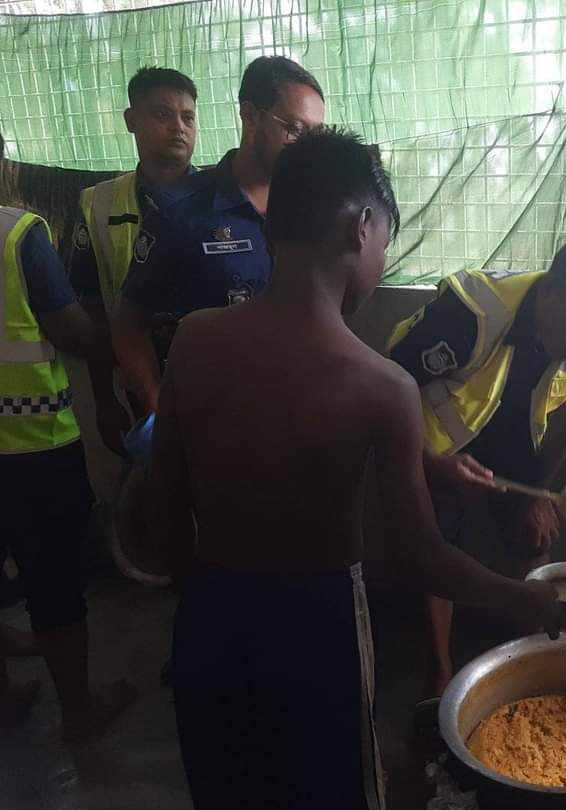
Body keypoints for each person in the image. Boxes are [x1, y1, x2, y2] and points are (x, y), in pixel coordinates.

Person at [154, 127, 565, 809]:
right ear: (362, 227)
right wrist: (530, 598)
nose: (381, 259)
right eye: (386, 242)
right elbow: (420, 558)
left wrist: (188, 591)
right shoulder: (379, 385)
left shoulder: (196, 341)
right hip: (319, 636)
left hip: (209, 619)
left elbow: (160, 502)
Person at [387, 240, 566, 696]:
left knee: (534, 531)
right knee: (434, 542)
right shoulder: (469, 315)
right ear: (549, 294)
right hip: (434, 438)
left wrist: (538, 492)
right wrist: (429, 464)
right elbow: (383, 394)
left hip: (513, 426)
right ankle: (438, 678)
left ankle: (533, 657)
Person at [0, 132, 136, 741]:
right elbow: (73, 331)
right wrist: (123, 339)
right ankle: (79, 713)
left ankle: (5, 698)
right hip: (30, 445)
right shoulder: (18, 234)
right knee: (55, 585)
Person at [112, 55, 325, 416]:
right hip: (206, 422)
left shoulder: (312, 212)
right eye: (294, 129)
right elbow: (128, 324)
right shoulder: (181, 208)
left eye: (315, 136)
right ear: (250, 116)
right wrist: (157, 412)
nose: (305, 149)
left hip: (291, 414)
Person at [68, 66, 199, 452]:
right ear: (131, 120)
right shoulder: (98, 203)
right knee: (152, 489)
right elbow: (91, 308)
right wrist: (104, 402)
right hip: (137, 387)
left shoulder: (221, 198)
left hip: (214, 382)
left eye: (187, 117)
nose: (178, 127)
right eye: (162, 114)